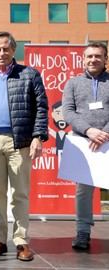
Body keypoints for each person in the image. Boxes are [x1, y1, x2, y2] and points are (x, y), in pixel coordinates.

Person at [0, 31, 48, 261]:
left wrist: (38, 137)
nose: (2, 53)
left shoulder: (29, 74)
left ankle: (22, 241)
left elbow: (42, 108)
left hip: (20, 141)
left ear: (13, 50)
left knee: (20, 193)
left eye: (6, 48)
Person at [62, 42, 109, 250]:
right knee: (83, 191)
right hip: (83, 142)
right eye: (89, 56)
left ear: (105, 59)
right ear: (83, 59)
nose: (93, 60)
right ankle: (83, 232)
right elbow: (68, 112)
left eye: (98, 56)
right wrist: (89, 131)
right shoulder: (73, 83)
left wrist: (104, 134)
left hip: (108, 141)